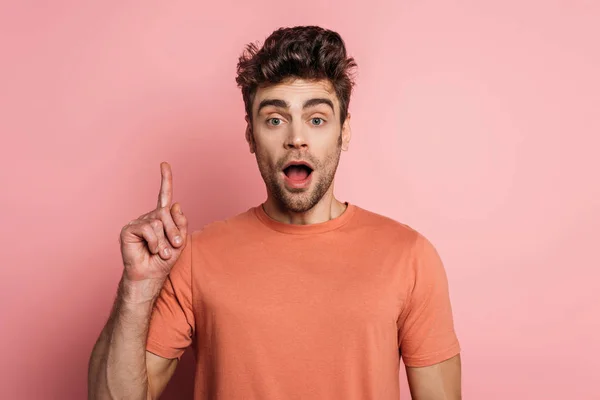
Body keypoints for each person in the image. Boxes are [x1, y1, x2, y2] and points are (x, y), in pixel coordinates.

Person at [88, 25, 461, 400]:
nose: (296, 137)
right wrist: (137, 288)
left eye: (316, 119)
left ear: (344, 132)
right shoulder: (196, 258)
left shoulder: (410, 258)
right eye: (275, 119)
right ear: (251, 136)